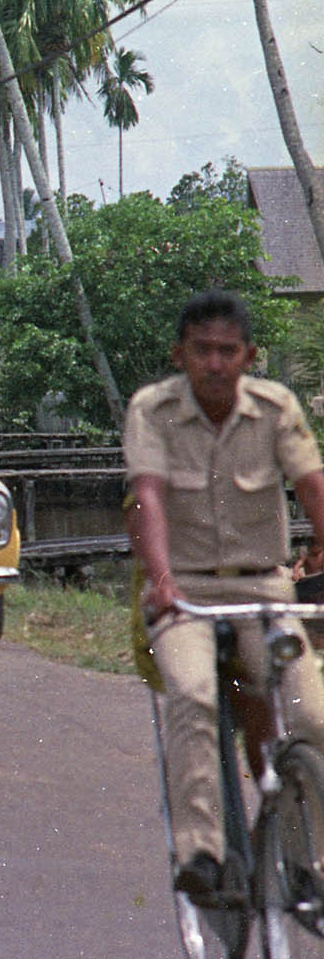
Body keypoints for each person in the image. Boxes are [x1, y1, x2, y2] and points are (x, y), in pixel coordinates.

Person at [125, 289, 324, 906]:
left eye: (228, 351)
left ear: (248, 356)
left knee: (312, 715)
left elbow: (313, 486)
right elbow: (148, 498)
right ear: (179, 354)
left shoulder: (275, 407)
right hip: (183, 589)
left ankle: (307, 859)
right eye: (202, 351)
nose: (215, 364)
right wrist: (161, 583)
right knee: (193, 695)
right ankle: (202, 855)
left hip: (264, 585)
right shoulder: (151, 410)